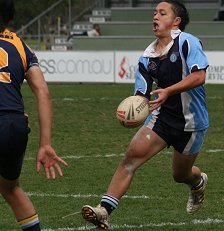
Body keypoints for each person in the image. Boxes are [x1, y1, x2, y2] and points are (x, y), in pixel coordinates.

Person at [81, 0, 209, 229]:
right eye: (154, 13)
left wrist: (168, 90)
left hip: (192, 122)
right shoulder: (147, 57)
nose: (155, 17)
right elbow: (141, 96)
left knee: (180, 175)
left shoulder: (188, 43)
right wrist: (133, 114)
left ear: (176, 21)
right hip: (161, 119)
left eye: (162, 13)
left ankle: (197, 182)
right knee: (131, 157)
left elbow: (199, 77)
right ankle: (104, 210)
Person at [0, 1, 69, 231]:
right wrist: (45, 143)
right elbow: (43, 93)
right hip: (16, 126)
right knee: (10, 188)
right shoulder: (21, 46)